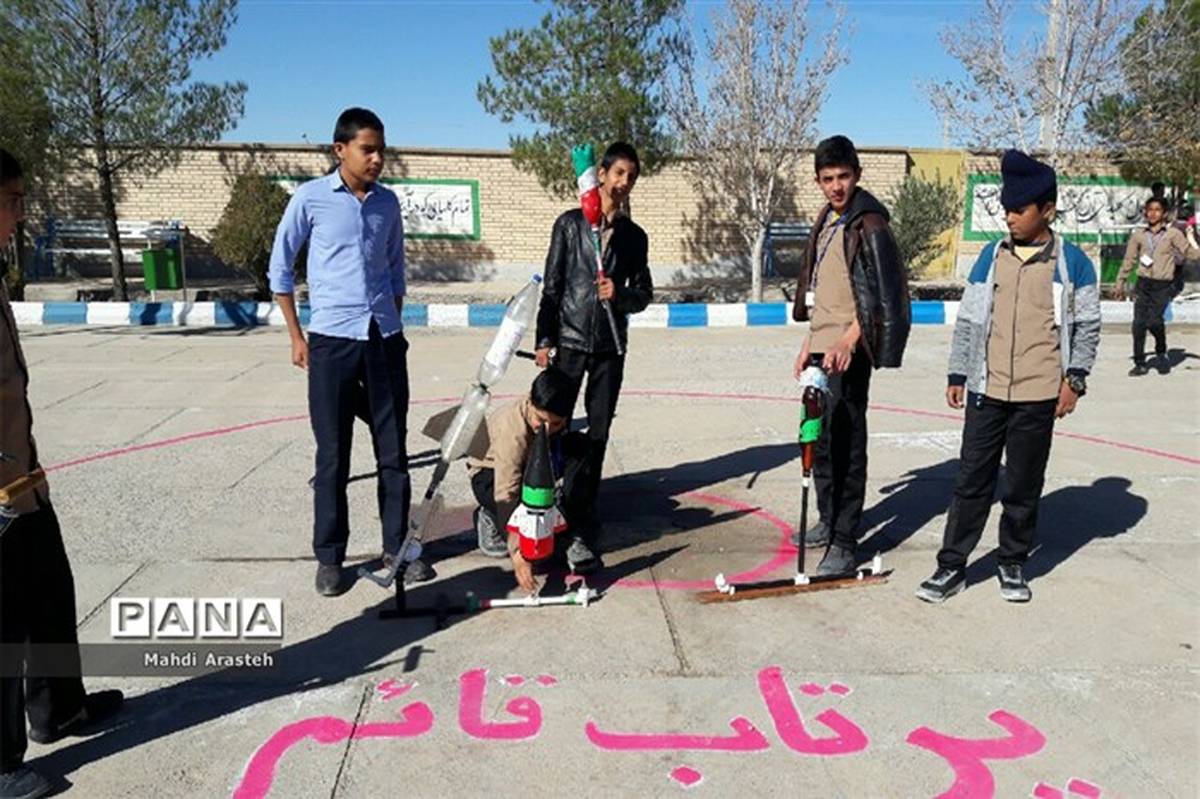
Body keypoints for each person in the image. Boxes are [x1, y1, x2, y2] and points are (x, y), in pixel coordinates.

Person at [916, 150, 1101, 605]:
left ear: (1047, 210)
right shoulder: (991, 256)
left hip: (1039, 394)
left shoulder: (1072, 264)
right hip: (987, 390)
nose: (1010, 217)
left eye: (1019, 209)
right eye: (1006, 209)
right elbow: (969, 321)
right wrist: (958, 371)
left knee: (1022, 484)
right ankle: (951, 565)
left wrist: (1075, 380)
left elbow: (1088, 326)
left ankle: (1012, 561)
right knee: (971, 481)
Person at [0, 148, 124, 799]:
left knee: (50, 589)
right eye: (12, 200)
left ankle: (58, 710)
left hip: (21, 477)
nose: (21, 212)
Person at [268, 108, 418, 596]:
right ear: (340, 150)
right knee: (333, 454)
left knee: (393, 451)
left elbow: (395, 268)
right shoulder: (311, 199)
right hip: (332, 341)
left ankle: (397, 548)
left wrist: (392, 321)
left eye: (381, 150)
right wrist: (297, 336)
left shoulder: (387, 204)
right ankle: (330, 558)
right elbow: (280, 268)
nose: (377, 159)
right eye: (367, 149)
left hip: (384, 340)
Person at [790, 135, 911, 577]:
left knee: (847, 444)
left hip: (849, 352)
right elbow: (824, 293)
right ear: (818, 181)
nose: (836, 186)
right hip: (821, 350)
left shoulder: (869, 224)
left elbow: (881, 295)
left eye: (843, 177)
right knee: (819, 439)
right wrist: (810, 342)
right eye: (828, 178)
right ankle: (827, 519)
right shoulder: (827, 220)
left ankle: (844, 540)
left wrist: (849, 340)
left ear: (857, 175)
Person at [533, 141, 653, 574]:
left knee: (597, 434)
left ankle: (581, 518)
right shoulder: (569, 225)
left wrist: (619, 295)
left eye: (631, 177)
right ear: (601, 174)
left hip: (609, 348)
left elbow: (644, 293)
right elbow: (552, 288)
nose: (624, 183)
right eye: (618, 173)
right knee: (552, 428)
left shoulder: (634, 237)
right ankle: (544, 507)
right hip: (568, 342)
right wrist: (544, 339)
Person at [467, 368, 589, 590]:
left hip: (531, 464)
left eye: (556, 424)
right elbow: (507, 488)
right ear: (531, 402)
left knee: (581, 447)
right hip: (491, 474)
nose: (547, 428)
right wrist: (517, 551)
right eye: (540, 420)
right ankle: (488, 515)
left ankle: (572, 525)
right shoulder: (512, 430)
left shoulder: (549, 416)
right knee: (520, 514)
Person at [1116, 197, 1197, 375]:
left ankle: (1161, 351)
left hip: (1162, 285)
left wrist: (1194, 243)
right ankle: (1140, 363)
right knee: (1138, 324)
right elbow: (1129, 260)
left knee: (1154, 321)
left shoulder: (1172, 234)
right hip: (1143, 284)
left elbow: (1188, 252)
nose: (1152, 213)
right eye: (1149, 210)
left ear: (1164, 214)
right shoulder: (1139, 235)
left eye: (1157, 210)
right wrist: (1120, 282)